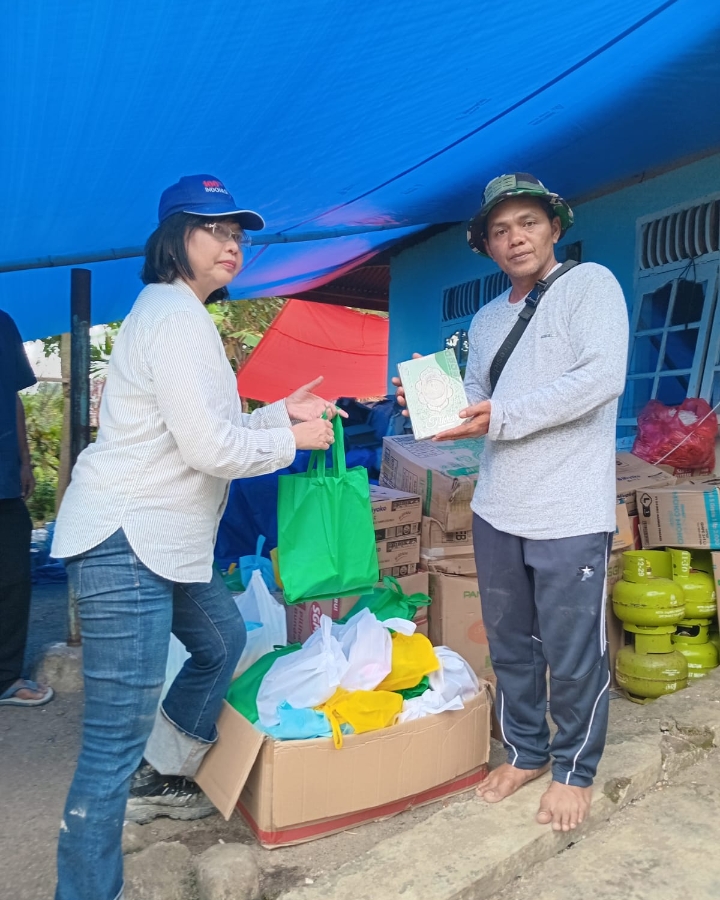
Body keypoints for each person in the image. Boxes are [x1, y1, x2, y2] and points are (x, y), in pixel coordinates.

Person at [51, 174, 339, 900]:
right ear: (173, 239)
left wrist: (279, 414)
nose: (232, 245)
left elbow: (219, 429)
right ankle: (86, 889)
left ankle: (164, 773)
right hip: (128, 541)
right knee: (110, 739)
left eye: (239, 234)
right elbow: (212, 449)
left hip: (166, 543)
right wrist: (293, 441)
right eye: (214, 229)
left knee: (219, 640)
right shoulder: (173, 317)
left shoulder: (187, 319)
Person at [394, 173, 628, 833]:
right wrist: (433, 406)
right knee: (512, 645)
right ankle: (526, 752)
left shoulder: (591, 287)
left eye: (527, 222)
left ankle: (574, 769)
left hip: (569, 509)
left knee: (572, 646)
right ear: (487, 246)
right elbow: (475, 405)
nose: (515, 237)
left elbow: (600, 379)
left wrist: (501, 415)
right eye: (500, 229)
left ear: (555, 227)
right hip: (499, 507)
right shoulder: (488, 317)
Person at [0, 310, 54, 708]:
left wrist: (24, 460)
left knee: (13, 579)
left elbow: (14, 395)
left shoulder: (2, 323)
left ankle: (5, 677)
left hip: (2, 477)